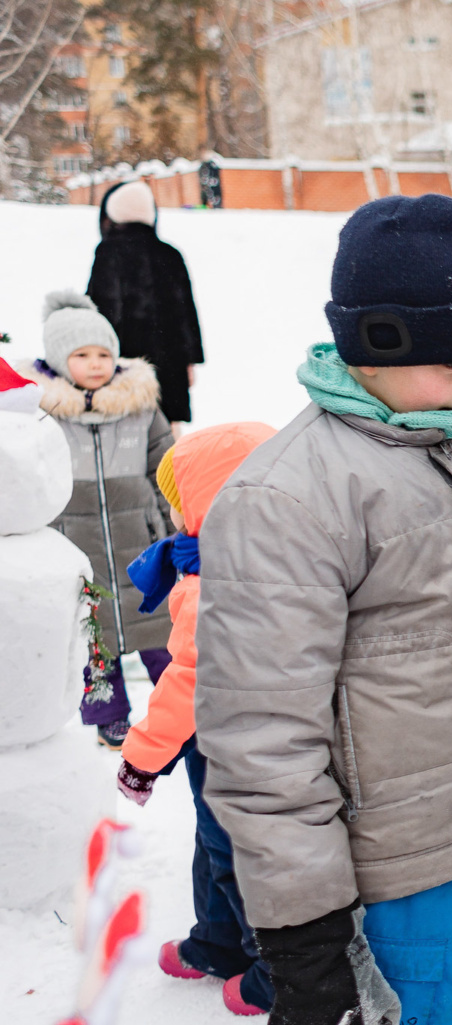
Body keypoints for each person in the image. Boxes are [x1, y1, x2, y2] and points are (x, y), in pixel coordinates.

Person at [194, 195, 452, 1025]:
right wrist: (302, 923)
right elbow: (262, 732)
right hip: (397, 875)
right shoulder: (286, 497)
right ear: (373, 341)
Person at [116, 422, 279, 1017]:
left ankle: (274, 969)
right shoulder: (272, 554)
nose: (177, 516)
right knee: (214, 843)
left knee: (239, 853)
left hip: (231, 740)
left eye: (180, 503)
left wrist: (141, 760)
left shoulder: (216, 578)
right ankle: (217, 942)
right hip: (244, 736)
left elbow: (184, 680)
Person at [22, 290, 173, 749]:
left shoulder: (141, 406)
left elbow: (164, 469)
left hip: (141, 543)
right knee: (93, 637)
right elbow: (30, 479)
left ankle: (180, 709)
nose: (95, 363)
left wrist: (174, 523)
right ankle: (109, 716)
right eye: (81, 354)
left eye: (104, 353)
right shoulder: (40, 416)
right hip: (76, 543)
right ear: (56, 361)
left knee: (162, 630)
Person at [87, 179, 205, 430]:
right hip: (170, 364)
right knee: (168, 437)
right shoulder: (171, 253)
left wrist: (93, 355)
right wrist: (190, 361)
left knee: (126, 434)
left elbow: (100, 310)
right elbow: (186, 313)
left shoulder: (108, 252)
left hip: (126, 362)